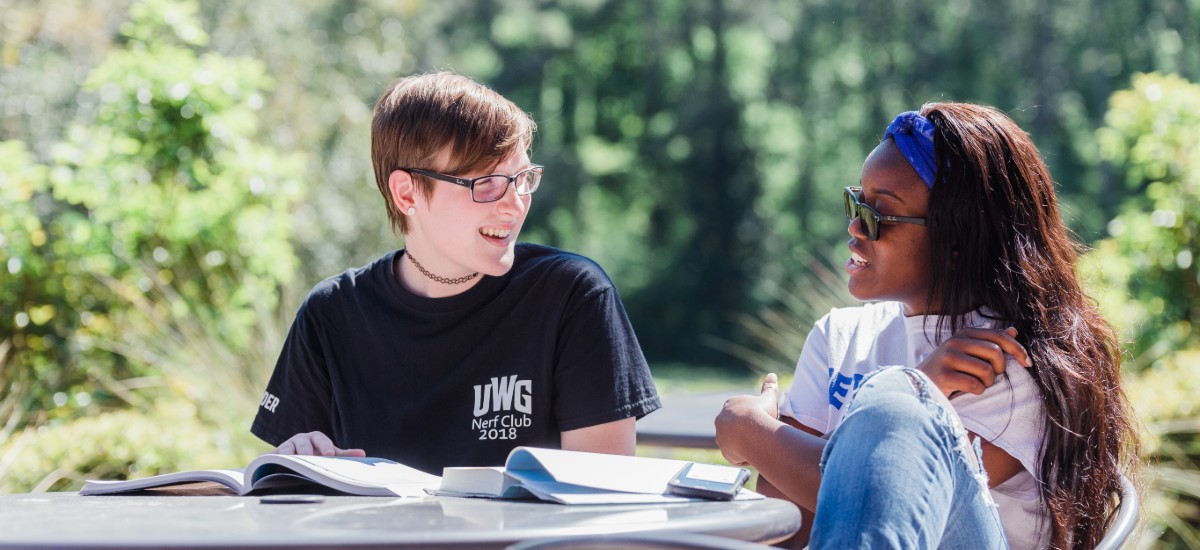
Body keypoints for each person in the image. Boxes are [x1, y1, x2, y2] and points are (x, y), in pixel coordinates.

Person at [715, 103, 1140, 549]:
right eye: (857, 201)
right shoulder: (838, 336)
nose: (855, 226)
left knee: (896, 405)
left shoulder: (1010, 360)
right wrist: (921, 388)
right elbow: (792, 525)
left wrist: (748, 429)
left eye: (880, 214)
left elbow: (889, 501)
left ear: (956, 239)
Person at [251, 72, 661, 475]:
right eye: (486, 183)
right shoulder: (331, 315)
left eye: (522, 180)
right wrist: (294, 460)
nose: (515, 205)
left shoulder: (573, 295)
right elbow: (290, 498)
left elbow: (603, 497)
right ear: (407, 192)